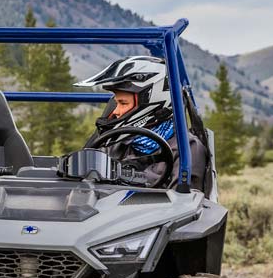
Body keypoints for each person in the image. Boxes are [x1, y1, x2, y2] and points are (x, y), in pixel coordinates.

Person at [76, 56, 208, 190]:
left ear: (151, 102)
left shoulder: (187, 148)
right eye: (116, 103)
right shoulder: (117, 144)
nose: (116, 112)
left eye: (123, 103)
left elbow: (184, 201)